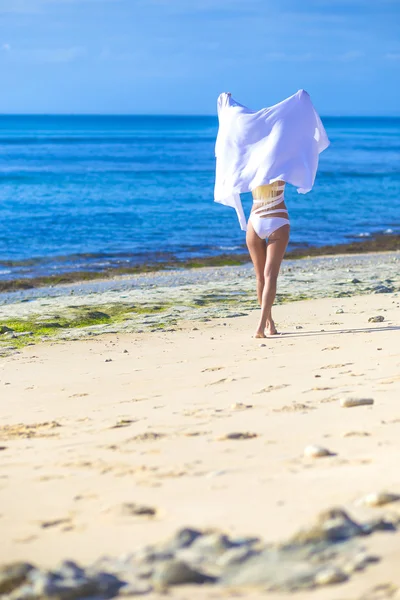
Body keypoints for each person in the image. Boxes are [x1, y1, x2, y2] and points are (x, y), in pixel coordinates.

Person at [214, 89, 329, 338]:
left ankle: (266, 324)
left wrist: (227, 103)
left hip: (257, 222)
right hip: (277, 220)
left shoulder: (250, 166)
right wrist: (301, 100)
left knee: (261, 278)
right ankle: (264, 325)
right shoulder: (281, 163)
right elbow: (291, 136)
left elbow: (238, 140)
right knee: (268, 276)